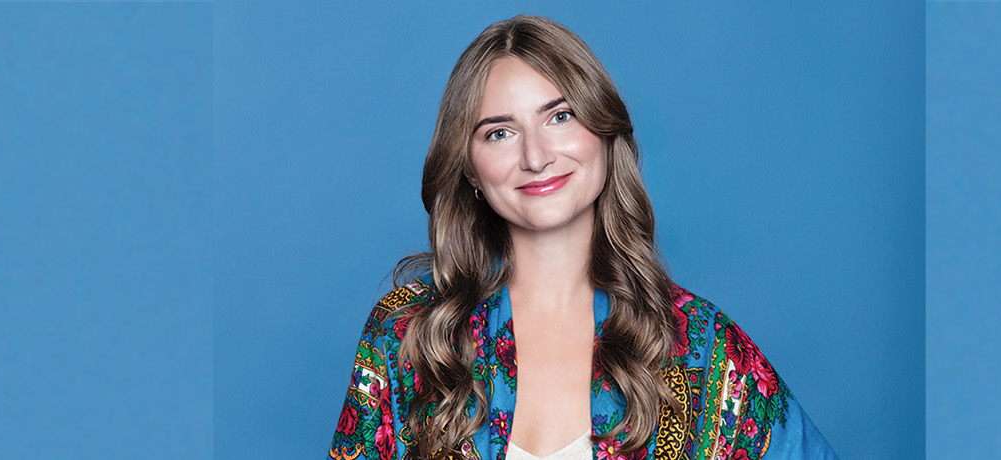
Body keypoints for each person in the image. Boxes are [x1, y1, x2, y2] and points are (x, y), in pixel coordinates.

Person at [328, 15, 836, 460]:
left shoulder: (700, 346)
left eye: (560, 116)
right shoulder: (410, 338)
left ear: (604, 133)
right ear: (471, 172)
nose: (536, 155)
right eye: (499, 132)